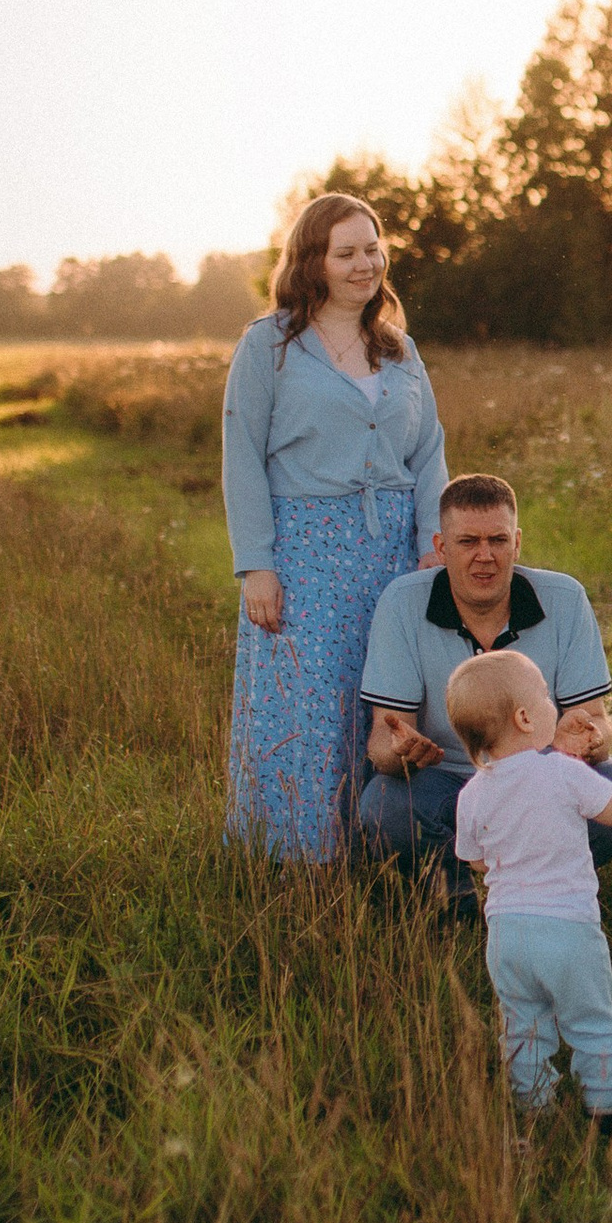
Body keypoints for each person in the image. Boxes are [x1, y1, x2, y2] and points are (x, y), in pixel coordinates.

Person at [223, 195, 450, 861]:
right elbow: (243, 458)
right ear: (313, 262)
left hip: (391, 552)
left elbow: (430, 451)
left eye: (372, 249)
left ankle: (377, 849)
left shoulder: (400, 349)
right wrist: (255, 563)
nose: (364, 264)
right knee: (309, 701)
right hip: (304, 552)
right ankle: (298, 858)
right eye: (345, 252)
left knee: (381, 698)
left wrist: (431, 548)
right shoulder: (269, 344)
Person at [354, 472, 612, 897]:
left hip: (543, 777)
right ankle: (455, 904)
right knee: (384, 804)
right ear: (440, 547)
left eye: (498, 540)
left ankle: (548, 889)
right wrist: (400, 751)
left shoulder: (565, 598)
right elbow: (384, 734)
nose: (484, 556)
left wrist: (585, 741)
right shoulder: (402, 603)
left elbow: (598, 721)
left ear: (518, 543)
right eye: (467, 542)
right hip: (445, 779)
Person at [448, 649, 612, 1129]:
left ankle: (534, 1107)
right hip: (568, 928)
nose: (552, 705)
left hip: (506, 934)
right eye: (544, 696)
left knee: (522, 1025)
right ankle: (605, 1109)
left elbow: (476, 860)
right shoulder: (562, 772)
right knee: (591, 1020)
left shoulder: (472, 793)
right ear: (524, 718)